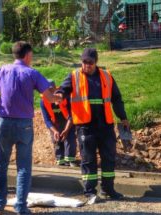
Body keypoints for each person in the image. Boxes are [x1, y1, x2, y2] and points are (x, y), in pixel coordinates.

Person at [0, 41, 62, 215]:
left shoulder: (3, 70)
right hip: (24, 125)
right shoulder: (32, 73)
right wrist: (58, 98)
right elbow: (49, 98)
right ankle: (20, 205)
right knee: (24, 167)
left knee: (0, 164)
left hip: (4, 122)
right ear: (27, 55)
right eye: (32, 55)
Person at [56, 48, 130, 204]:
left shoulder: (106, 76)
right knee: (88, 159)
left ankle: (108, 189)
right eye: (84, 62)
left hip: (105, 125)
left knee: (108, 158)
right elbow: (63, 90)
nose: (86, 65)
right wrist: (59, 95)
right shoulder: (74, 76)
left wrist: (123, 117)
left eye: (90, 62)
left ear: (96, 62)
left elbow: (116, 99)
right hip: (85, 126)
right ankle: (89, 191)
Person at [40, 80, 77, 167]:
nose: (49, 92)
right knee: (56, 142)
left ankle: (70, 160)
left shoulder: (65, 98)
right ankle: (60, 160)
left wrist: (67, 129)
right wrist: (55, 131)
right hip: (55, 125)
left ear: (55, 88)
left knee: (70, 140)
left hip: (68, 123)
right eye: (47, 90)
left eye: (51, 89)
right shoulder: (43, 101)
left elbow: (72, 115)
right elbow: (47, 120)